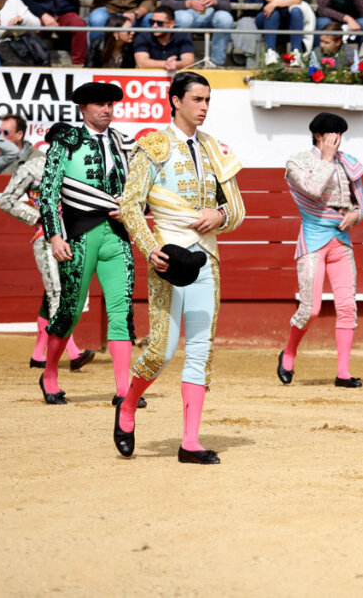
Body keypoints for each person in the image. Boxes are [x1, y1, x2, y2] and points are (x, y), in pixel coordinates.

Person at [114, 72, 246, 464]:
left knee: (201, 349)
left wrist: (218, 215)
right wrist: (150, 247)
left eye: (208, 100)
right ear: (175, 101)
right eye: (197, 100)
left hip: (206, 257)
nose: (204, 107)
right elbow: (130, 205)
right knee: (162, 350)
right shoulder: (153, 145)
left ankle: (190, 442)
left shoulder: (215, 149)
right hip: (168, 258)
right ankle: (128, 404)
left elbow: (237, 210)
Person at [36, 83, 136, 407]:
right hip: (79, 235)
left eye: (110, 104)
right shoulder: (66, 142)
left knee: (121, 309)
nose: (106, 110)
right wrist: (54, 235)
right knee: (70, 310)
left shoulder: (124, 143)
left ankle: (124, 389)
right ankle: (49, 374)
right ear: (82, 108)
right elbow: (48, 192)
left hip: (117, 234)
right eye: (99, 105)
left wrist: (133, 208)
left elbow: (138, 187)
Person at [275, 111, 363, 389]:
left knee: (347, 305)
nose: (337, 139)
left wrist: (356, 215)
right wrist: (327, 159)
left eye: (340, 134)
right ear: (318, 136)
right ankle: (289, 352)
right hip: (313, 239)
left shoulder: (348, 163)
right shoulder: (297, 162)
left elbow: (362, 201)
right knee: (311, 309)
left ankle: (343, 373)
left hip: (341, 240)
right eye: (332, 134)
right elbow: (313, 190)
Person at [0, 121, 97, 373]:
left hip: (74, 237)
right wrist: (39, 217)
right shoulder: (34, 166)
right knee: (59, 294)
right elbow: (6, 200)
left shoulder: (80, 167)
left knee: (56, 294)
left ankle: (38, 354)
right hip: (46, 237)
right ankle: (73, 352)